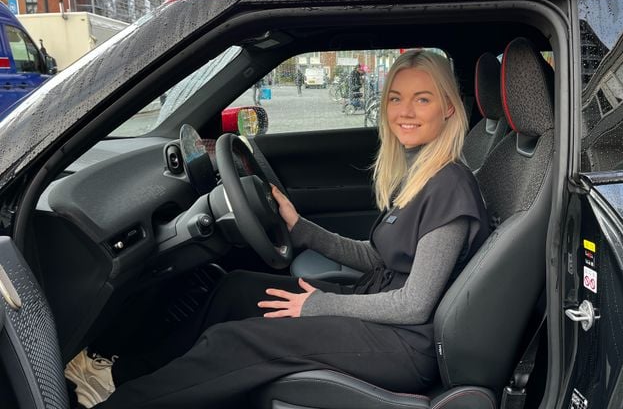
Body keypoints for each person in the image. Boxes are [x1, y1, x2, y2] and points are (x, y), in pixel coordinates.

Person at [92, 50, 489, 408]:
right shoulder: (419, 173)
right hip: (377, 304)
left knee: (235, 341)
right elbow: (376, 256)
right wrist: (299, 228)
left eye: (422, 99)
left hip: (404, 343)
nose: (405, 111)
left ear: (449, 109)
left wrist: (317, 306)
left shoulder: (451, 186)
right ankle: (121, 374)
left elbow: (413, 305)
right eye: (395, 98)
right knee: (236, 290)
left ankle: (121, 402)